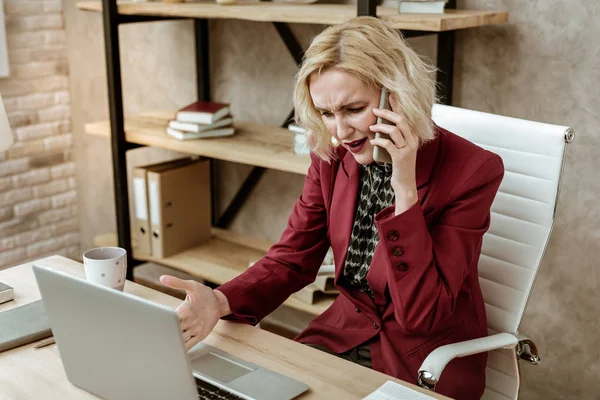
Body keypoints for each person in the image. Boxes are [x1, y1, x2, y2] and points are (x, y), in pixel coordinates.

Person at [160, 16, 504, 400]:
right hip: (341, 336)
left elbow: (422, 316)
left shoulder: (473, 171)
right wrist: (218, 301)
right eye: (326, 113)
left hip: (420, 361)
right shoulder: (331, 155)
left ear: (396, 95)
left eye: (353, 108)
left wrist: (404, 189)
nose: (339, 131)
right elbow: (292, 258)